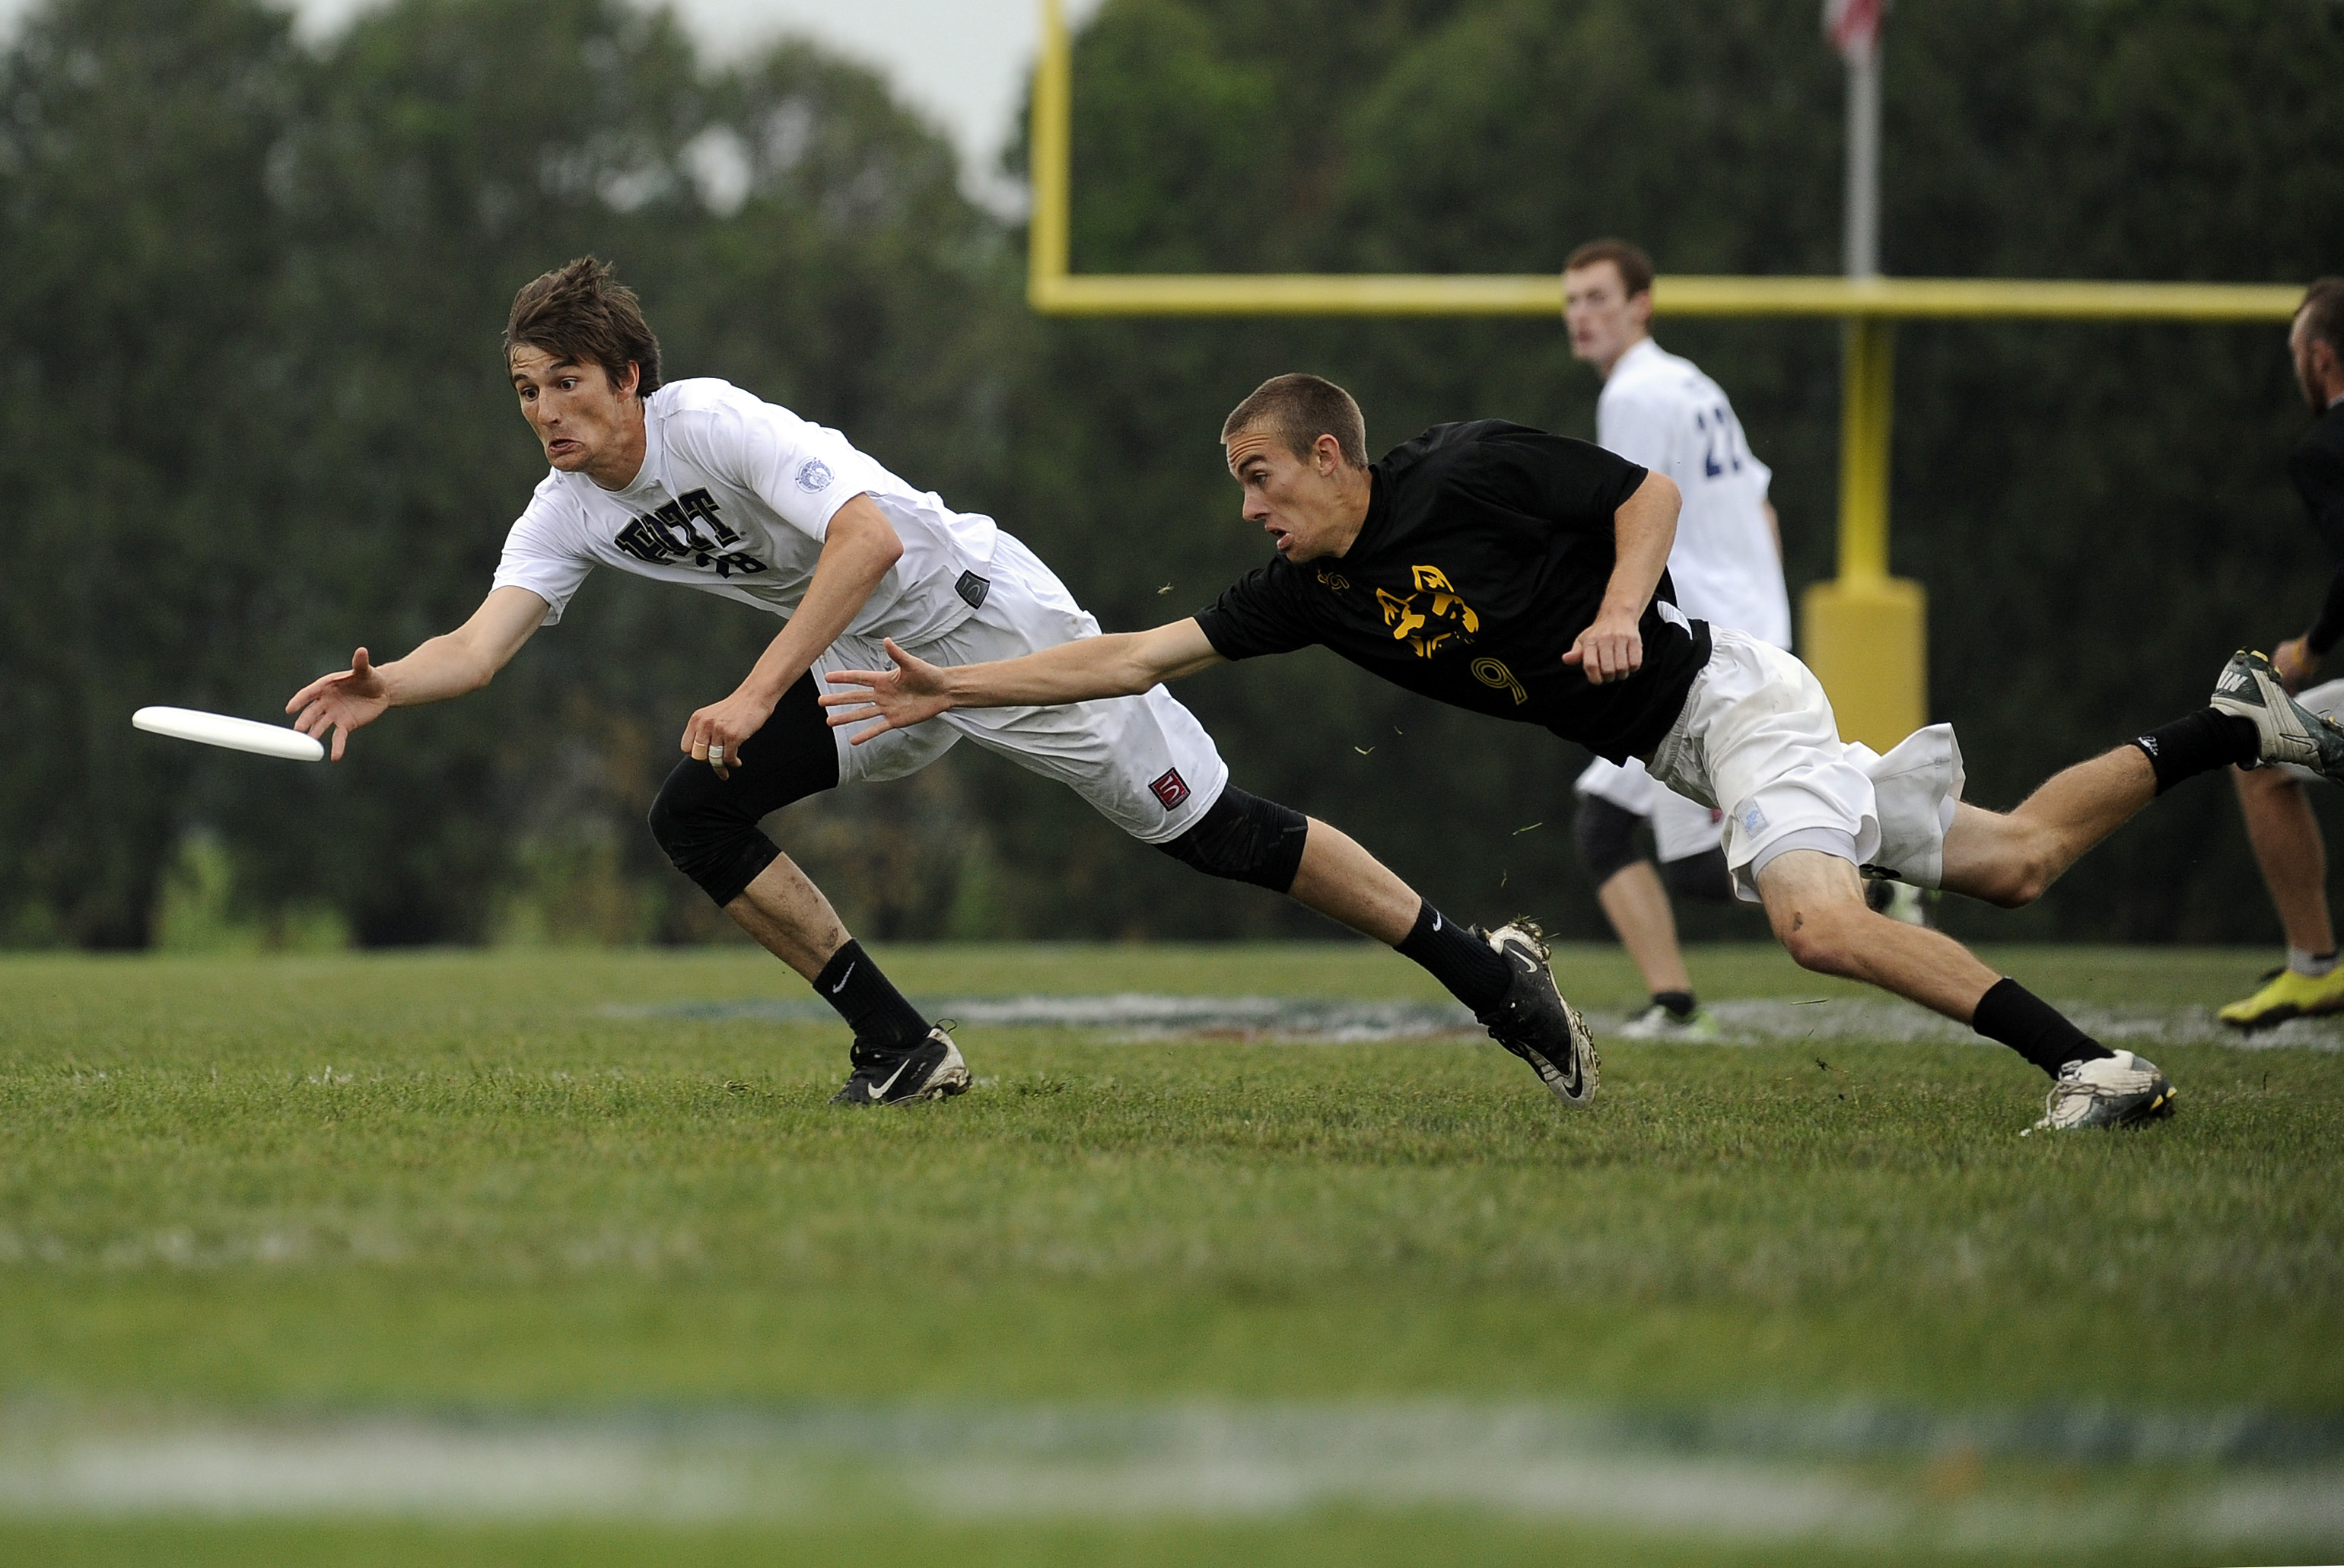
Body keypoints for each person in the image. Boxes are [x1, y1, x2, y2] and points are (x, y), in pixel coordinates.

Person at [823, 372, 2344, 1132]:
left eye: (1261, 476)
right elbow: (1131, 655)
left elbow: (1643, 502)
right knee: (2012, 857)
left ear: (1333, 455)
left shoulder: (1466, 468)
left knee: (1814, 923)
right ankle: (2233, 723)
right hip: (1691, 748)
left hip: (1731, 705)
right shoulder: (1305, 591)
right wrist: (959, 691)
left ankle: (2089, 1064)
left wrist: (1620, 613)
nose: (1248, 508)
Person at [285, 260, 1599, 1109]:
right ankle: (900, 1046)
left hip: (979, 618)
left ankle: (1489, 977)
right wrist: (389, 685)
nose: (546, 414)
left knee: (1215, 835)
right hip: (864, 664)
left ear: (629, 378)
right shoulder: (564, 508)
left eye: (566, 385)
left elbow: (870, 539)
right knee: (691, 815)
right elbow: (480, 643)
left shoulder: (714, 422)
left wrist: (751, 695)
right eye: (525, 392)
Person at [1562, 237, 1790, 1042]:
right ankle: (1674, 1006)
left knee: (1698, 865)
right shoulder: (1687, 380)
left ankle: (1875, 879)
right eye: (1572, 300)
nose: (1581, 315)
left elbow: (1636, 514)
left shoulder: (1636, 393)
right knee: (1602, 820)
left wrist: (1624, 616)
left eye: (1597, 297)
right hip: (1740, 624)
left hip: (1702, 642)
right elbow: (1761, 506)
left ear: (1640, 303)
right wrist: (1762, 608)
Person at [2222, 277, 2344, 1031]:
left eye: (2296, 350)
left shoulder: (2325, 448)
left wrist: (2309, 647)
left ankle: (2313, 968)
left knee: (2256, 747)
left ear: (2322, 358)